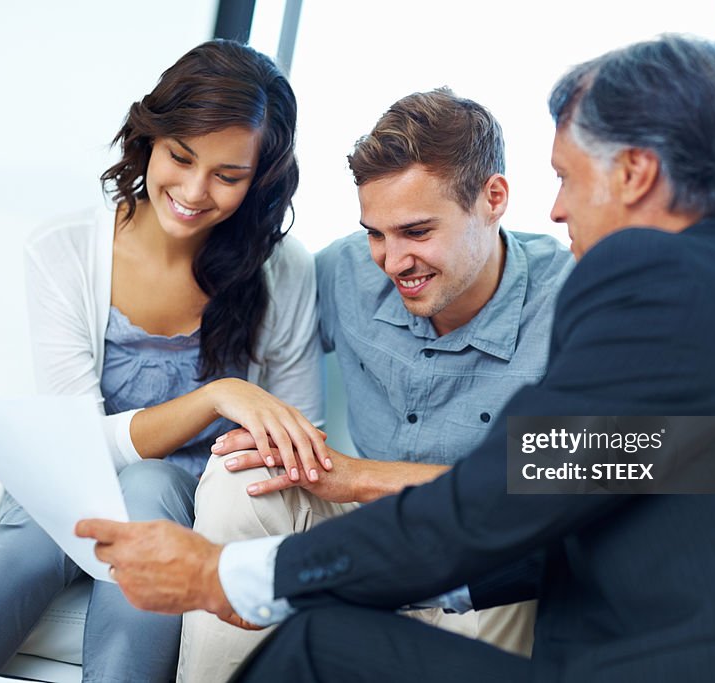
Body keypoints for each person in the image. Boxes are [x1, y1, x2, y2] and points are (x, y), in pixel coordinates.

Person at [78, 34, 715, 681]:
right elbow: (614, 480)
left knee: (319, 646)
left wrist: (224, 576)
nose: (555, 211)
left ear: (633, 172)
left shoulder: (653, 272)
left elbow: (506, 490)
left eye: (565, 176)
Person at [0, 40, 327, 681]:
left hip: (196, 496)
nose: (194, 192)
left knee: (147, 483)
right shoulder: (65, 249)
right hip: (67, 474)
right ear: (149, 140)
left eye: (228, 175)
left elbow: (295, 436)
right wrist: (214, 397)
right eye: (180, 157)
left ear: (262, 179)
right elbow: (73, 444)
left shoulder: (285, 269)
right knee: (36, 512)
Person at [177, 88, 573, 680]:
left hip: (486, 564)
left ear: (493, 199)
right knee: (246, 471)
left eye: (416, 231)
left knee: (523, 544)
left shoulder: (576, 300)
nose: (392, 262)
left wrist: (358, 475)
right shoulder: (344, 273)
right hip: (371, 540)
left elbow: (583, 478)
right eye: (376, 233)